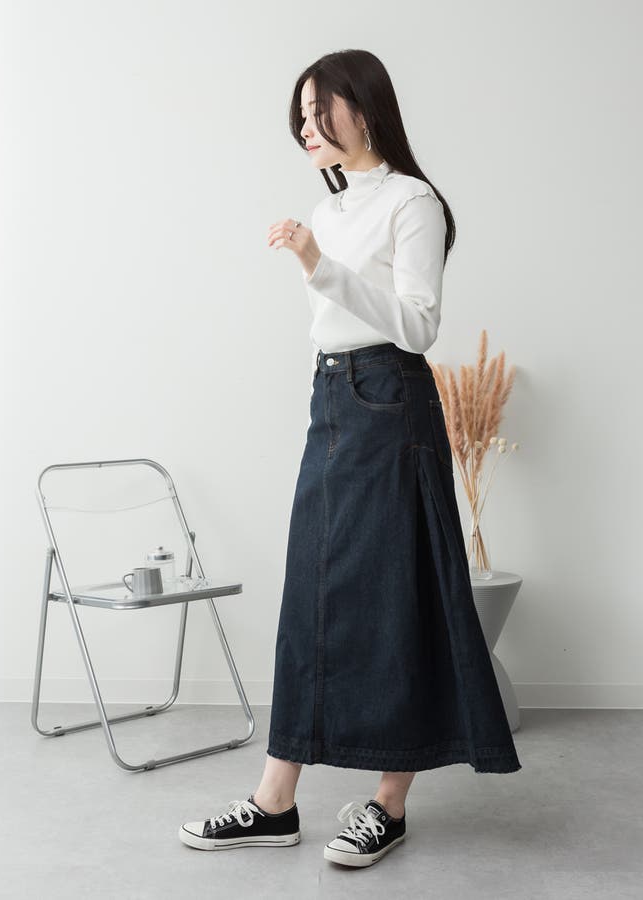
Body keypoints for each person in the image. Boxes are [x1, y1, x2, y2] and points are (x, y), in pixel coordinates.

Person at [179, 49, 521, 869]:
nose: (306, 126)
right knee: (312, 594)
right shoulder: (326, 210)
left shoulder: (413, 202)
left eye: (319, 109)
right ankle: (275, 802)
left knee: (398, 595)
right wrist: (319, 264)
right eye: (299, 114)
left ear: (363, 109)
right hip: (332, 397)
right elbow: (332, 322)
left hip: (392, 400)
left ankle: (388, 805)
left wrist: (317, 265)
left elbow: (418, 325)